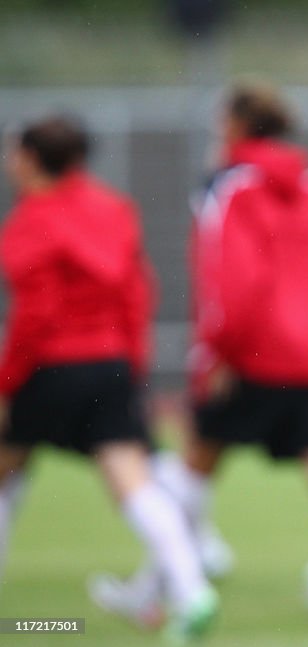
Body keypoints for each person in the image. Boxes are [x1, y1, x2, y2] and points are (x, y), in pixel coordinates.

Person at [90, 80, 308, 634]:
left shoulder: (229, 186)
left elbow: (228, 280)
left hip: (249, 354)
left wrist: (216, 353)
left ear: (237, 126)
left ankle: (159, 590)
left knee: (195, 464)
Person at [0, 116, 218, 642]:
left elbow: (35, 315)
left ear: (31, 159)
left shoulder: (31, 220)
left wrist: (7, 382)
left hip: (51, 365)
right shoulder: (112, 209)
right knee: (133, 483)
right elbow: (137, 291)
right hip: (111, 363)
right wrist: (131, 366)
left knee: (6, 470)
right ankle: (191, 591)